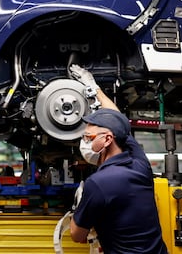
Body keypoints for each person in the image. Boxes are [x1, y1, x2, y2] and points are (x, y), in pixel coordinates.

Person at [69, 64, 167, 254]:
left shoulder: (98, 183)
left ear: (106, 140)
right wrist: (93, 87)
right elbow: (118, 120)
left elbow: (77, 235)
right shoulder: (139, 164)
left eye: (88, 137)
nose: (84, 142)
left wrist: (83, 203)